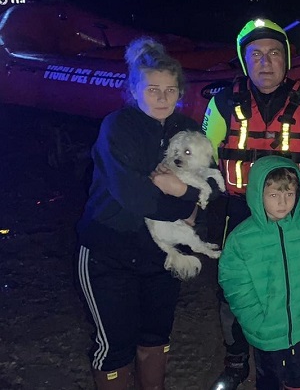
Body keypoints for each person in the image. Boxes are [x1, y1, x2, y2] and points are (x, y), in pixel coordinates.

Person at [76, 37, 220, 389]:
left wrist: (184, 192)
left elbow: (214, 179)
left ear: (180, 92)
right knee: (114, 346)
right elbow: (134, 195)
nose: (162, 98)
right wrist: (187, 204)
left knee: (156, 337)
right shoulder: (117, 126)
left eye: (170, 90)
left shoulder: (186, 127)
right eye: (152, 89)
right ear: (133, 90)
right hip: (110, 252)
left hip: (159, 255)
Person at [202, 18, 300, 389]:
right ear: (244, 61)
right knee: (234, 290)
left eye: (274, 53)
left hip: (295, 211)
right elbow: (204, 159)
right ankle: (237, 360)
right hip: (240, 213)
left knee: (298, 284)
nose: (265, 62)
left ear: (286, 58)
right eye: (256, 54)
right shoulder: (223, 102)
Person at [219, 156, 300, 390]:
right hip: (265, 327)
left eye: (289, 194)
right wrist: (253, 319)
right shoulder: (241, 239)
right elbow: (234, 284)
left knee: (299, 377)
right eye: (273, 195)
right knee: (269, 379)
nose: (283, 202)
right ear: (258, 195)